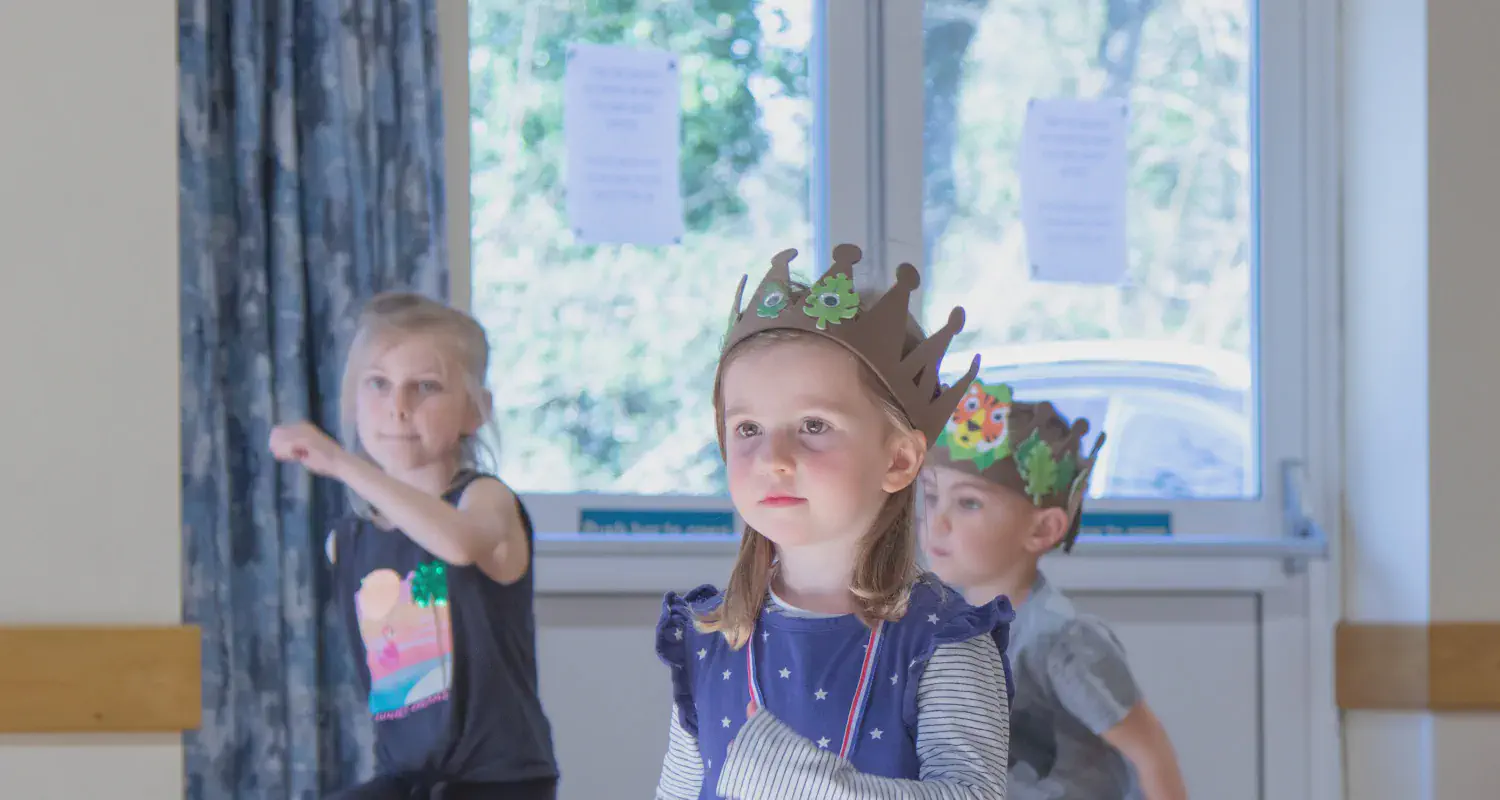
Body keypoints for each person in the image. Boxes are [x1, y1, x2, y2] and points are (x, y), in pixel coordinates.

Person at [655, 245, 1015, 800]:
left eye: (814, 425)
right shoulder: (709, 636)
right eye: (747, 428)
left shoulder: (942, 641)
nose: (773, 456)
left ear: (897, 460)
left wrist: (818, 786)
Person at [269, 292, 558, 799]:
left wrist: (341, 463)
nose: (398, 408)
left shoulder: (485, 500)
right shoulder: (349, 539)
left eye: (425, 387)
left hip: (501, 781)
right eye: (378, 384)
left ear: (476, 411)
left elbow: (458, 544)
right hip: (408, 781)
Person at [922, 384, 1187, 800]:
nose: (936, 523)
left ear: (1043, 529)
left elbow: (1149, 750)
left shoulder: (1063, 641)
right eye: (932, 498)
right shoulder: (937, 625)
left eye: (968, 504)